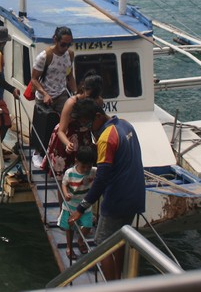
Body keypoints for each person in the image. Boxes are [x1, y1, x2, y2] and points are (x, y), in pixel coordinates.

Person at [68, 107, 145, 281]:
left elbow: (102, 178)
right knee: (119, 240)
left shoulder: (106, 139)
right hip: (136, 194)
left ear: (98, 116)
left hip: (117, 198)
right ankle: (119, 280)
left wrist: (81, 207)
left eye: (89, 124)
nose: (90, 129)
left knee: (102, 245)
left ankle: (111, 285)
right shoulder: (126, 125)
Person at [30, 26, 76, 169]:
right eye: (63, 44)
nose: (65, 47)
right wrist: (45, 94)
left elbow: (69, 76)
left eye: (69, 44)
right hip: (45, 95)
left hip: (61, 94)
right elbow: (34, 79)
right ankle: (37, 152)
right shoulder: (45, 56)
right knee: (44, 125)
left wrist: (75, 93)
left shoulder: (70, 55)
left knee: (67, 122)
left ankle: (61, 150)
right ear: (55, 39)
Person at [59, 146, 96, 260]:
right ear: (77, 162)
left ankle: (80, 240)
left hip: (85, 205)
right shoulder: (70, 173)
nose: (86, 169)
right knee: (69, 227)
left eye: (88, 167)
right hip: (70, 205)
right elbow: (64, 184)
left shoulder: (93, 171)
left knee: (88, 226)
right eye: (83, 166)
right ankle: (69, 247)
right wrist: (66, 194)